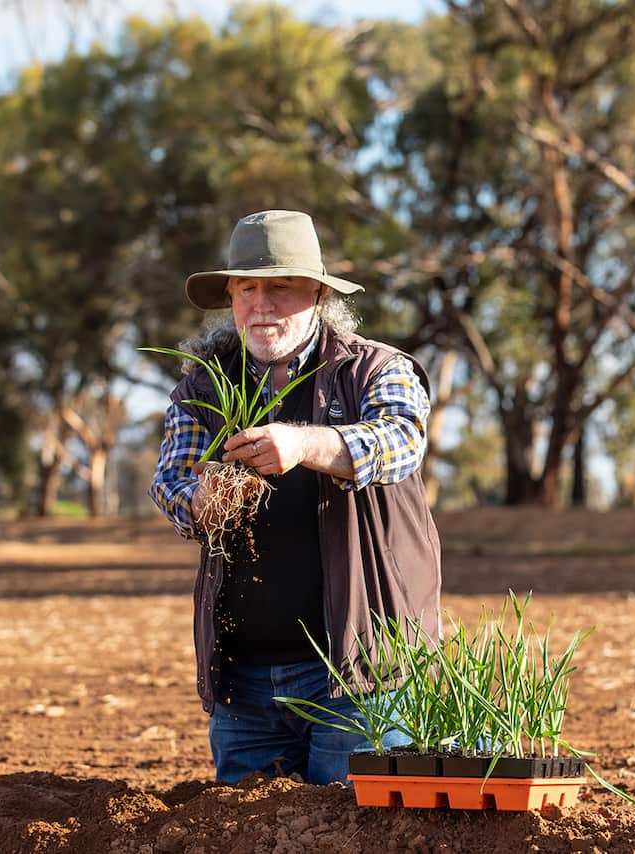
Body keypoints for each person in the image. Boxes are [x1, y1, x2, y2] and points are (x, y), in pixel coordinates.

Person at [149, 209, 441, 785]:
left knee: (350, 834)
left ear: (317, 294)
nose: (262, 304)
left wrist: (305, 443)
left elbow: (401, 441)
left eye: (280, 287)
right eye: (247, 288)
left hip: (358, 675)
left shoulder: (377, 370)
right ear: (231, 298)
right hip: (243, 685)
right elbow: (170, 480)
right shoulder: (204, 385)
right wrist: (202, 501)